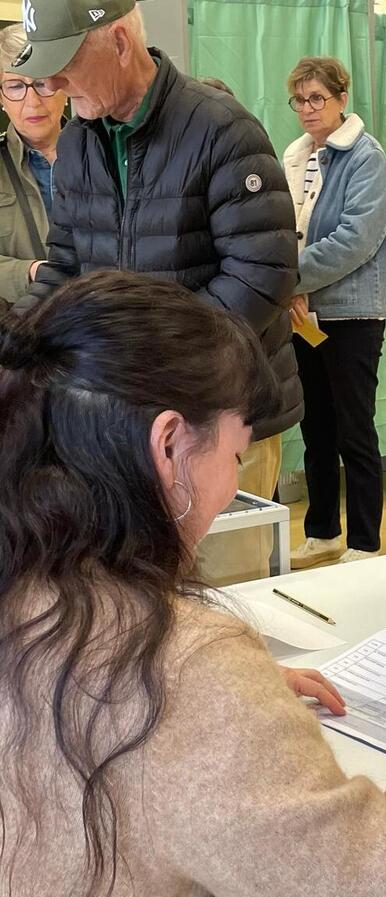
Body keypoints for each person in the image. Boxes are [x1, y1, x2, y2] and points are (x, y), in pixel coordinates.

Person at [0, 271, 386, 897]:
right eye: (237, 454)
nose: (231, 485)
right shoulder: (185, 669)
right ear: (168, 446)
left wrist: (237, 704)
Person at [10, 0, 302, 583]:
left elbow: (261, 275)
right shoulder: (79, 144)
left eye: (64, 64)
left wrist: (155, 367)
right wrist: (15, 345)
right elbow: (67, 268)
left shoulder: (220, 129)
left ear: (119, 41)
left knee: (229, 593)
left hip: (222, 417)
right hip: (131, 428)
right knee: (149, 601)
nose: (54, 85)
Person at [283, 56, 386, 567]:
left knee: (355, 430)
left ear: (342, 99)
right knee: (316, 430)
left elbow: (356, 239)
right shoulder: (296, 156)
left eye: (317, 98)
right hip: (303, 312)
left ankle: (365, 542)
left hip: (353, 315)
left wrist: (290, 278)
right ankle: (323, 531)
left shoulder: (366, 158)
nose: (308, 108)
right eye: (299, 100)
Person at [0, 23, 66, 305]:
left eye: (42, 83)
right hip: (21, 319)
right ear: (1, 98)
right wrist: (29, 272)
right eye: (16, 86)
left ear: (64, 86)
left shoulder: (102, 154)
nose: (33, 102)